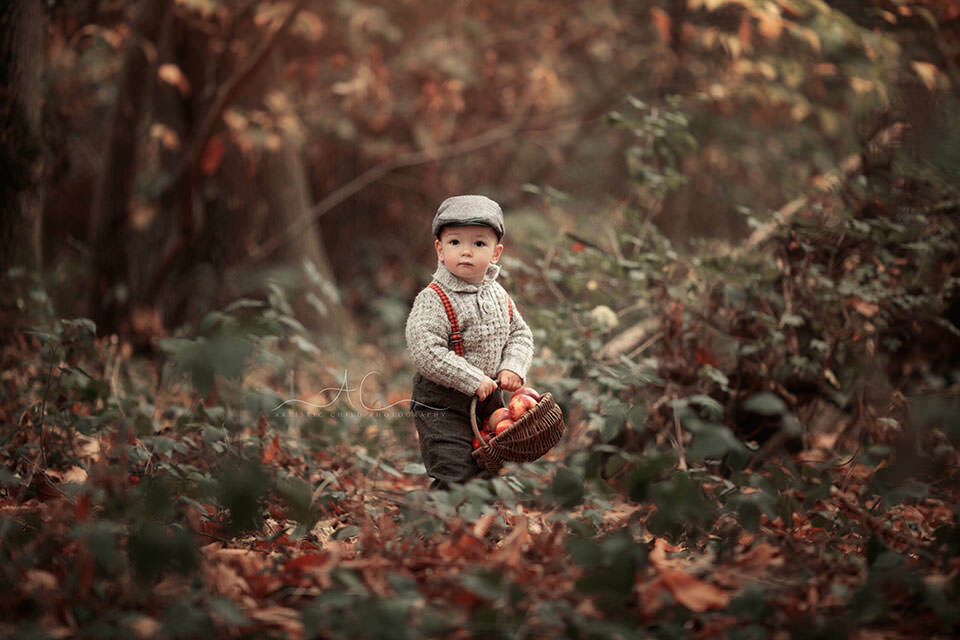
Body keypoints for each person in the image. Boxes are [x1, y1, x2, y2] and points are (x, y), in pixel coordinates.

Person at [405, 195, 535, 490]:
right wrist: (472, 377)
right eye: (455, 243)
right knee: (453, 468)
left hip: (489, 402)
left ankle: (481, 529)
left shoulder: (498, 295)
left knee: (487, 466)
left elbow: (520, 334)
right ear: (439, 249)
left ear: (495, 253)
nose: (466, 252)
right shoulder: (433, 299)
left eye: (478, 244)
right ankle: (445, 528)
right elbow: (426, 351)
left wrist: (512, 366)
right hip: (442, 404)